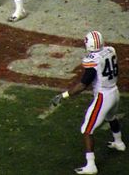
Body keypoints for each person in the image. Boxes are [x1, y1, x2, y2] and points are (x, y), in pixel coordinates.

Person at [50, 31, 125, 174]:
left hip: (104, 96)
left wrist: (64, 95)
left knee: (86, 129)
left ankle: (91, 165)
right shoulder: (110, 50)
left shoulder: (92, 59)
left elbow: (83, 85)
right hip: (115, 91)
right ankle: (119, 143)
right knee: (111, 117)